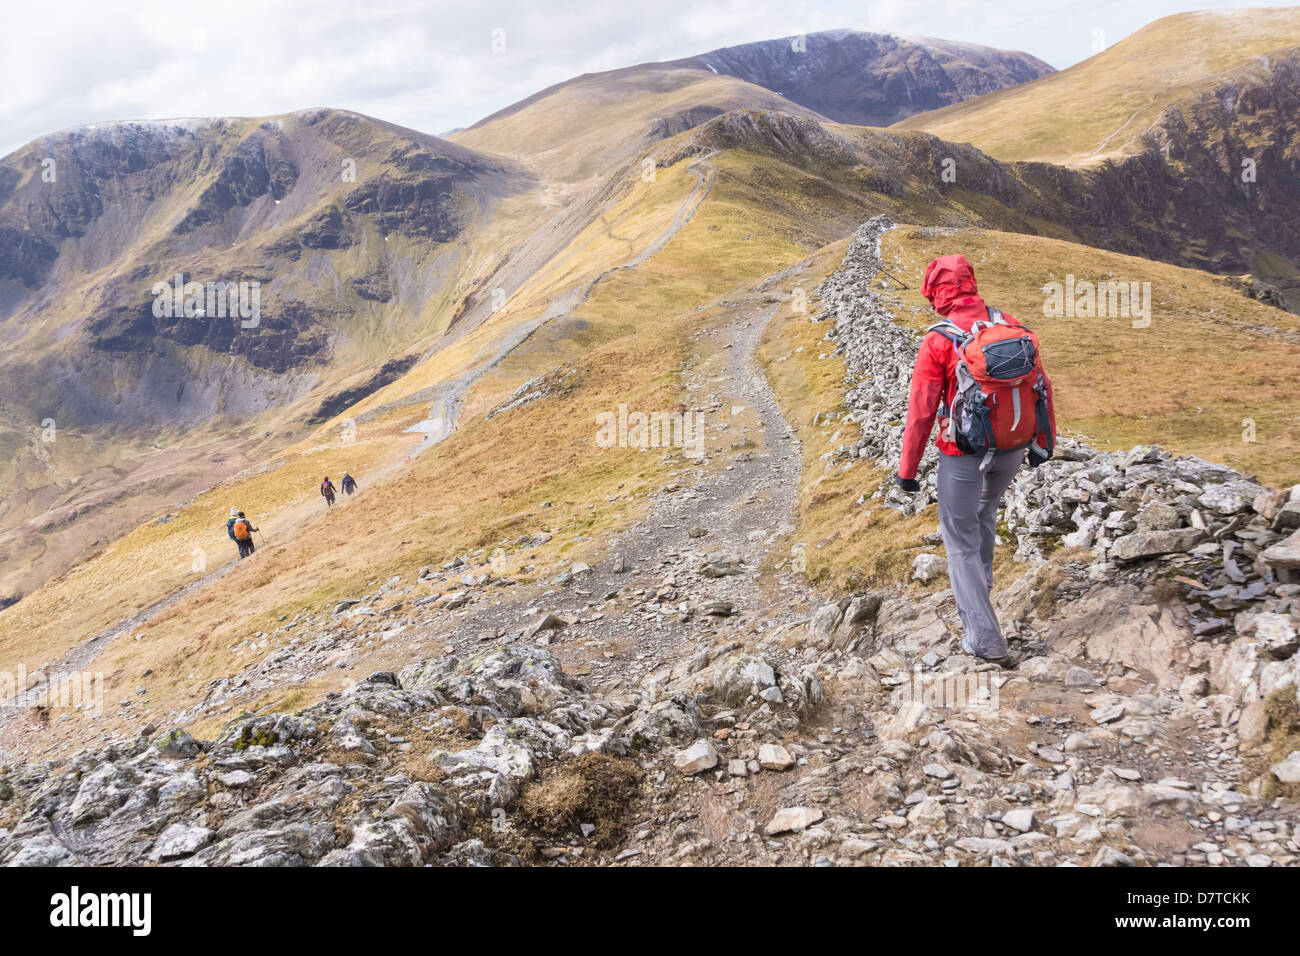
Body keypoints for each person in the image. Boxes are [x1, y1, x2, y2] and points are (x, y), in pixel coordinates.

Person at [896, 254, 1056, 667]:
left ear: (934, 291)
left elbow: (922, 411)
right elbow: (1041, 386)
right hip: (1013, 447)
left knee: (959, 540)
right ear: (971, 282)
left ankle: (983, 640)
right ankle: (980, 596)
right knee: (984, 516)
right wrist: (1044, 441)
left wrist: (908, 471)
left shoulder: (938, 341)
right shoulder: (1009, 324)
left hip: (961, 454)